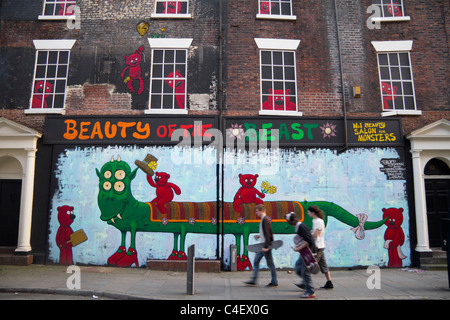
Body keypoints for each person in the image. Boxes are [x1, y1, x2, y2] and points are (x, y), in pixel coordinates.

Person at [244, 204, 278, 287]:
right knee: (256, 261)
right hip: (262, 246)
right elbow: (267, 232)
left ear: (261, 210)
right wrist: (259, 236)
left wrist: (266, 247)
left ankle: (274, 281)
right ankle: (254, 280)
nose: (256, 213)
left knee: (270, 263)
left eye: (257, 211)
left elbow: (268, 234)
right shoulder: (264, 219)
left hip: (265, 246)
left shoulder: (265, 220)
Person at [286, 212, 316, 298]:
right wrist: (298, 246)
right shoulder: (299, 226)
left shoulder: (301, 227)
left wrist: (299, 248)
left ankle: (311, 291)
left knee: (305, 272)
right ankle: (307, 283)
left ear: (291, 222)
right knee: (298, 269)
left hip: (308, 252)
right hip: (303, 252)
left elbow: (309, 240)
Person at [308, 205, 333, 289]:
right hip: (320, 246)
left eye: (308, 212)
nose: (308, 213)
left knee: (312, 265)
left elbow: (316, 234)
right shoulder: (316, 220)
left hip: (317, 246)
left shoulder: (318, 221)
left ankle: (308, 283)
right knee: (323, 265)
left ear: (312, 212)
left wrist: (308, 236)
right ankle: (329, 282)